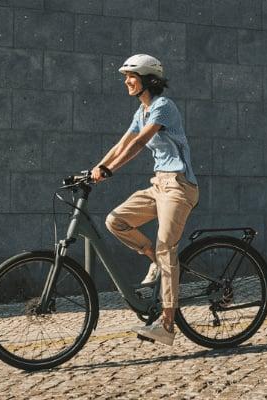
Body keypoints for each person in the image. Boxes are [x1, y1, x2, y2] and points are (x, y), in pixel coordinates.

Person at [90, 54, 199, 345]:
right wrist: (94, 169)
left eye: (131, 76)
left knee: (166, 248)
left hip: (179, 186)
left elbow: (139, 143)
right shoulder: (142, 111)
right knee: (116, 221)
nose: (127, 81)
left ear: (148, 80)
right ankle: (155, 261)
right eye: (126, 77)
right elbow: (123, 143)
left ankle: (167, 325)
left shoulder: (163, 107)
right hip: (158, 184)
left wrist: (110, 170)